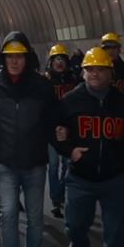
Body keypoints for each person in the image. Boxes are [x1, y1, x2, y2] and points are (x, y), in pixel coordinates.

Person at [54, 46, 124, 247]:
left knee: (115, 232)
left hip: (113, 178)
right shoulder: (70, 101)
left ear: (110, 73)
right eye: (89, 69)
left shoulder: (123, 102)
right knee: (75, 226)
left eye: (100, 69)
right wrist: (69, 150)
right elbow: (54, 131)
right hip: (81, 178)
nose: (94, 74)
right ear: (82, 73)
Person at [0, 32, 58, 247]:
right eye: (10, 57)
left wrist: (64, 144)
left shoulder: (42, 86)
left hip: (35, 162)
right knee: (10, 214)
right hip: (4, 163)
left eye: (19, 56)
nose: (15, 61)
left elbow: (54, 119)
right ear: (3, 57)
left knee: (36, 217)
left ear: (27, 57)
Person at [45, 44, 78, 219]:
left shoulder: (73, 79)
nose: (59, 63)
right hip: (51, 130)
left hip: (69, 129)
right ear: (51, 61)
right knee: (53, 166)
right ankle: (55, 200)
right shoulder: (46, 81)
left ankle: (63, 197)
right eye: (56, 59)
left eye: (62, 59)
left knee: (67, 165)